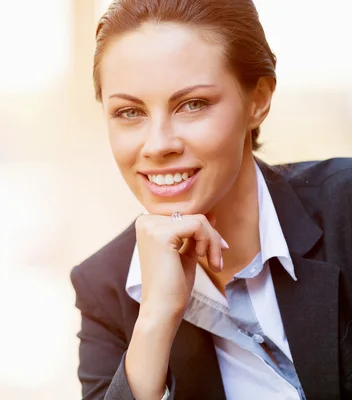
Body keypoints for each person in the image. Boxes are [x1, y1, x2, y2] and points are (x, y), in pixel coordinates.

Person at [70, 0, 352, 399]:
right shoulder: (107, 289)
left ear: (258, 100)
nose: (158, 145)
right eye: (130, 112)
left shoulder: (346, 207)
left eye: (193, 105)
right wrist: (154, 320)